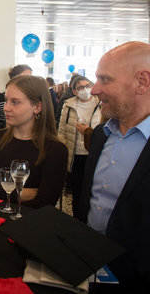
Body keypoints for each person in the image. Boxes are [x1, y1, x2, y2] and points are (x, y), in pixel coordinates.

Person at [77, 41, 150, 292]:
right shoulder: (100, 135)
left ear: (142, 82)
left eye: (105, 80)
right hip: (88, 271)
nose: (95, 89)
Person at [0, 75, 68, 208]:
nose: (6, 107)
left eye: (15, 102)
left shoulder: (55, 149)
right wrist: (22, 193)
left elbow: (45, 201)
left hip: (31, 224)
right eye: (6, 100)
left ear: (37, 107)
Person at [58, 75, 101, 216]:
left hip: (94, 153)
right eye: (81, 87)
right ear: (75, 91)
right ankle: (77, 219)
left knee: (92, 189)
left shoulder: (100, 103)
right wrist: (63, 151)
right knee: (77, 190)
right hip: (75, 154)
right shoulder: (69, 105)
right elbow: (62, 131)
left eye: (88, 85)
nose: (85, 89)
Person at [0, 64, 32, 133]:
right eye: (26, 78)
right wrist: (7, 126)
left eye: (31, 78)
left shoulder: (34, 99)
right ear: (14, 79)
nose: (31, 82)